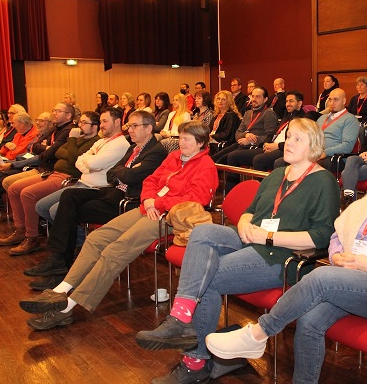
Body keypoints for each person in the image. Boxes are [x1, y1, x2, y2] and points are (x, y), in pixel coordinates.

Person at [204, 131, 367, 384]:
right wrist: (337, 255)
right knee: (310, 319)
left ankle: (258, 333)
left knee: (321, 278)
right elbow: (339, 231)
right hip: (355, 277)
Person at [134, 118, 340, 384]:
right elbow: (251, 211)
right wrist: (244, 223)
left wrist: (268, 237)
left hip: (281, 254)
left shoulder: (324, 182)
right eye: (288, 136)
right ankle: (180, 318)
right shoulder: (277, 174)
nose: (289, 142)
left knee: (207, 276)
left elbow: (320, 238)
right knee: (202, 232)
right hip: (250, 237)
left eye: (297, 139)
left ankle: (196, 363)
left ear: (314, 145)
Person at [18, 120, 219, 330]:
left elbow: (197, 199)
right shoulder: (174, 157)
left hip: (170, 218)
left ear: (200, 143)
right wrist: (148, 200)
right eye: (181, 138)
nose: (182, 143)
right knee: (96, 238)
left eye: (187, 139)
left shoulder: (205, 166)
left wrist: (157, 203)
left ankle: (66, 308)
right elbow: (150, 181)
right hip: (148, 208)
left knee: (116, 251)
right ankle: (60, 290)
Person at [23, 110, 168, 291]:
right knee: (69, 196)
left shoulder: (157, 151)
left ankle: (60, 265)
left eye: (134, 126)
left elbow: (131, 177)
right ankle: (57, 259)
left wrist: (122, 172)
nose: (130, 130)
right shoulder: (133, 148)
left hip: (127, 201)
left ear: (148, 128)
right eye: (129, 126)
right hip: (113, 191)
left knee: (68, 212)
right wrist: (123, 172)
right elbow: (111, 174)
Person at [0, 109, 129, 256]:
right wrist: (87, 163)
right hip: (79, 182)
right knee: (41, 206)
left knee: (53, 209)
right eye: (101, 121)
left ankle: (78, 244)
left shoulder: (119, 144)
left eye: (105, 121)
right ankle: (74, 239)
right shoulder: (101, 141)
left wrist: (86, 160)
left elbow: (85, 162)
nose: (102, 125)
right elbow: (69, 156)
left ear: (117, 122)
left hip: (94, 187)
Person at [277, 88, 357, 169]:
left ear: (344, 101)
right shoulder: (322, 118)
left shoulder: (350, 119)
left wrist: (325, 153)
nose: (332, 103)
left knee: (305, 164)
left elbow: (347, 146)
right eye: (330, 100)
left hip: (332, 157)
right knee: (280, 162)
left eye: (336, 100)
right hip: (314, 153)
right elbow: (311, 137)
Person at [212, 86, 278, 165]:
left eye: (258, 97)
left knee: (230, 157)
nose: (254, 99)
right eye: (253, 96)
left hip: (257, 146)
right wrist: (246, 135)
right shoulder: (248, 113)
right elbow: (237, 134)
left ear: (265, 99)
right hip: (242, 144)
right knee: (215, 159)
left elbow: (269, 137)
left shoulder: (269, 113)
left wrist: (251, 141)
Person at [253, 90, 306, 171]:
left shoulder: (303, 120)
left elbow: (296, 142)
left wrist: (277, 146)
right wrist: (266, 143)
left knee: (259, 160)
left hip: (284, 148)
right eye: (286, 101)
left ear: (299, 103)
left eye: (291, 101)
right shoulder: (286, 116)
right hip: (272, 146)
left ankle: (268, 180)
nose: (287, 104)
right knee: (236, 155)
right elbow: (273, 133)